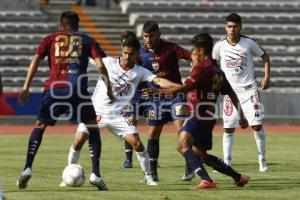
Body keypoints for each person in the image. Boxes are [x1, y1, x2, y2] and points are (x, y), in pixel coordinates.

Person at [65, 35, 183, 186]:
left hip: (117, 115)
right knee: (78, 140)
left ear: (137, 54)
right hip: (97, 112)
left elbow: (159, 81)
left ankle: (149, 177)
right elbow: (86, 58)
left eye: (130, 53)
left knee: (137, 144)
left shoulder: (140, 71)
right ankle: (68, 172)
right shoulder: (108, 62)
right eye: (125, 52)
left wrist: (179, 86)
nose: (127, 56)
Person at [16, 11, 113, 191]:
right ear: (77, 26)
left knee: (39, 126)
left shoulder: (50, 39)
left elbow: (36, 59)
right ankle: (96, 174)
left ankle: (27, 168)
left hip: (54, 89)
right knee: (92, 128)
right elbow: (100, 65)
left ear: (61, 26)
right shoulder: (87, 39)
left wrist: (26, 87)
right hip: (78, 91)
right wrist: (109, 89)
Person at [143, 33, 250, 189]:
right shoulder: (217, 70)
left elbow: (182, 88)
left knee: (182, 144)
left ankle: (207, 180)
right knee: (202, 155)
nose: (192, 54)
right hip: (209, 116)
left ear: (200, 51)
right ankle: (238, 177)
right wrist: (241, 115)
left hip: (198, 114)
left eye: (193, 50)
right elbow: (232, 93)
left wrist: (157, 92)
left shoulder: (202, 68)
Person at [121, 21, 193, 182]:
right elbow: (132, 72)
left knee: (181, 131)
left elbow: (192, 57)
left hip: (176, 97)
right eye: (145, 36)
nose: (148, 39)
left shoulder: (172, 48)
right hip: (155, 99)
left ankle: (190, 167)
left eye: (151, 36)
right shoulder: (139, 54)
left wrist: (193, 76)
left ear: (158, 34)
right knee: (153, 134)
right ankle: (152, 173)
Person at [212, 13, 270, 172]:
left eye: (235, 26)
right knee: (228, 128)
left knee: (257, 126)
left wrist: (267, 77)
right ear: (225, 27)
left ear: (240, 27)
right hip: (230, 93)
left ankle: (262, 160)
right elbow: (211, 62)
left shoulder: (248, 43)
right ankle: (227, 163)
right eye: (229, 26)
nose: (232, 29)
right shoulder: (219, 46)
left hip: (249, 91)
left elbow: (265, 56)